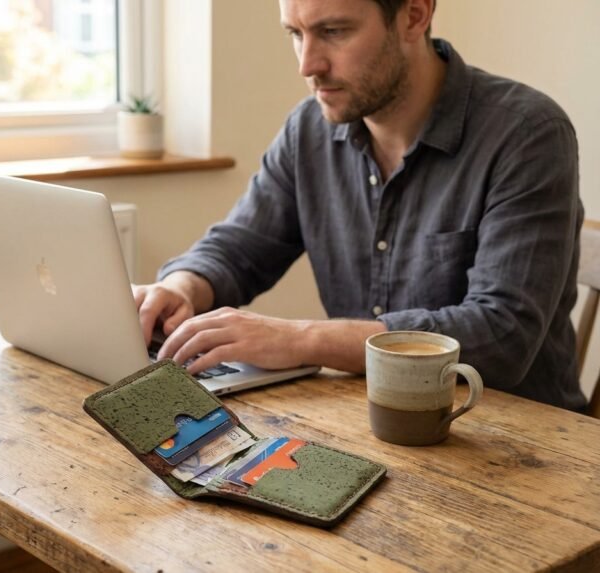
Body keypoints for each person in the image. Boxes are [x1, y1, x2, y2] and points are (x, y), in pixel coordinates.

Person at [133, 0, 586, 411]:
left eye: (333, 31)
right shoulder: (307, 130)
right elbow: (239, 247)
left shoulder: (528, 133)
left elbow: (500, 336)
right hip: (366, 420)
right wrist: (181, 288)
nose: (308, 65)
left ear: (414, 15)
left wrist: (299, 339)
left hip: (515, 441)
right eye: (295, 33)